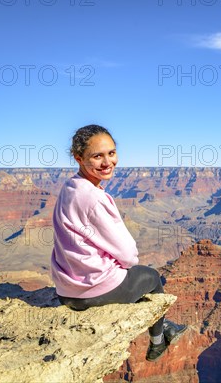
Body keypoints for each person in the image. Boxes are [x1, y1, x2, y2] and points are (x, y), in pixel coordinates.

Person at [50, 124, 186, 362]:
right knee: (150, 277)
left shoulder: (70, 187)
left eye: (111, 153)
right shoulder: (94, 199)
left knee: (132, 275)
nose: (107, 162)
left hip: (66, 290)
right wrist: (119, 264)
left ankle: (165, 328)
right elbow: (128, 255)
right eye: (97, 156)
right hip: (91, 293)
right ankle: (158, 340)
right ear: (79, 158)